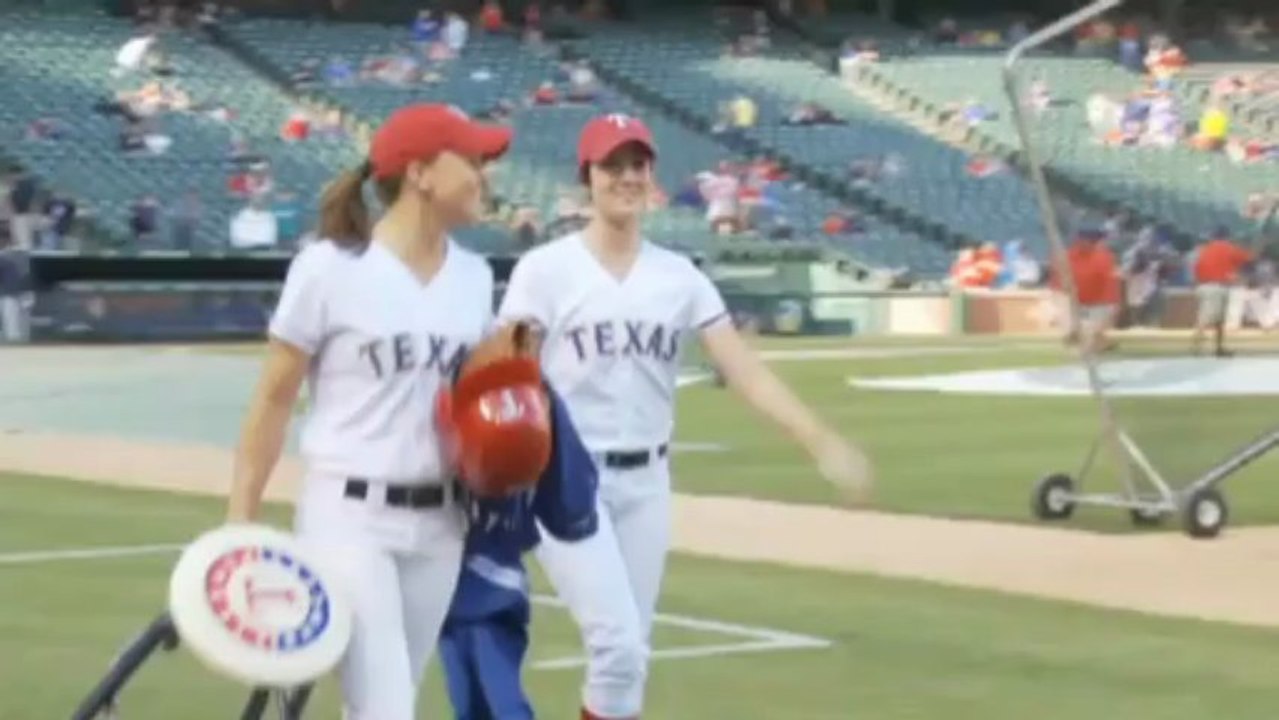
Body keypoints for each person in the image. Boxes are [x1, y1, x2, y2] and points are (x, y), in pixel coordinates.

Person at [495, 113, 873, 720]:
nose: (625, 177)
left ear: (652, 177)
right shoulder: (546, 270)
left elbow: (743, 371)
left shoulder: (679, 277)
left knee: (628, 658)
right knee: (617, 646)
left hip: (647, 483)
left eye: (636, 165)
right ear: (585, 178)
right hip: (568, 480)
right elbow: (507, 370)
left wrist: (819, 439)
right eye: (610, 166)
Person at [225, 103, 513, 720]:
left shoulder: (473, 275)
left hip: (441, 525)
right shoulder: (329, 269)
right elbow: (273, 400)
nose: (484, 175)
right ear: (422, 174)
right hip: (349, 519)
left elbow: (478, 401)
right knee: (386, 711)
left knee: (383, 705)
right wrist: (240, 524)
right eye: (472, 159)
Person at [438, 377, 600, 720]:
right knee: (471, 704)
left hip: (484, 584)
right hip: (462, 580)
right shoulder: (517, 380)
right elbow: (573, 505)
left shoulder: (518, 384)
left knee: (497, 703)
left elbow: (573, 502)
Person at [1052, 228, 1121, 354]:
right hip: (1075, 300)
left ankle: (1096, 341)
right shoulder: (1067, 256)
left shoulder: (1104, 257)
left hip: (1099, 301)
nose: (1094, 243)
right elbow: (1059, 283)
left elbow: (1108, 282)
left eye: (1095, 240)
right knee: (1075, 329)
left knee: (1091, 329)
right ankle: (1091, 340)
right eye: (1091, 240)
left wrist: (1113, 303)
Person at [1192, 229, 1254, 357]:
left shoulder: (1206, 249)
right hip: (1216, 286)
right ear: (1227, 237)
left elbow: (1197, 267)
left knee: (1218, 320)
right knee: (1207, 318)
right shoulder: (1228, 248)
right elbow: (1248, 258)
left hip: (1204, 285)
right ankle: (1197, 347)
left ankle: (1218, 348)